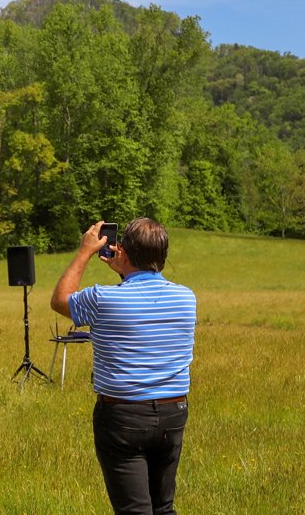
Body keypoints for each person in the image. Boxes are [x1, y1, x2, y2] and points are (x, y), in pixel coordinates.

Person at [50, 218, 196, 515]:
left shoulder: (102, 299)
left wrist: (85, 252)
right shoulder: (186, 297)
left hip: (122, 416)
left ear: (124, 253)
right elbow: (142, 299)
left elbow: (60, 300)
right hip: (173, 412)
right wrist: (126, 269)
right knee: (163, 508)